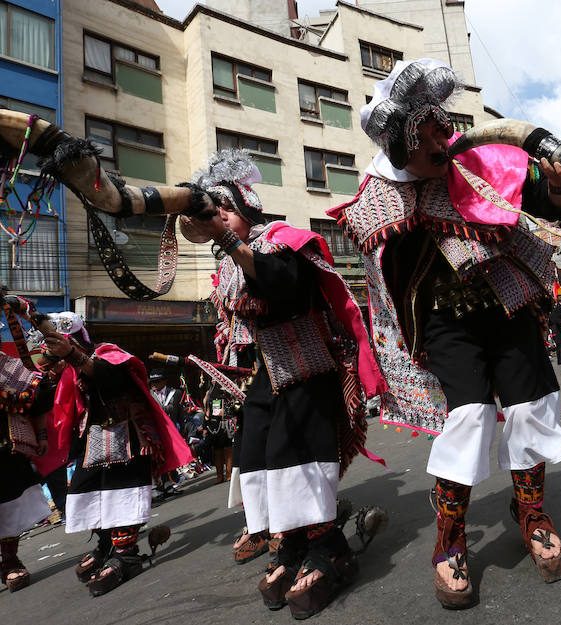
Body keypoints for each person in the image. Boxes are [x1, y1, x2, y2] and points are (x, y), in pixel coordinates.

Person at [327, 59, 561, 609]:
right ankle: (450, 537)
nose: (439, 145)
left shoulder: (478, 164)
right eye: (423, 140)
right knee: (467, 418)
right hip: (443, 322)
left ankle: (531, 511)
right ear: (398, 148)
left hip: (507, 303)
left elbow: (550, 201)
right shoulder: (378, 196)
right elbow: (383, 273)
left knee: (531, 404)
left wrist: (558, 186)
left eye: (440, 131)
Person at [182, 149, 386, 619]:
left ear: (249, 208)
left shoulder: (283, 240)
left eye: (227, 208)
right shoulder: (229, 267)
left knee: (296, 455)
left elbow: (281, 284)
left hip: (308, 364)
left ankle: (328, 547)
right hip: (268, 371)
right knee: (254, 454)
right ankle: (290, 545)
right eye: (215, 211)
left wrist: (227, 240)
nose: (220, 218)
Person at [43, 312, 190, 596]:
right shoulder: (68, 369)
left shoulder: (109, 354)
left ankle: (126, 552)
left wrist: (72, 356)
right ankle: (107, 543)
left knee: (120, 492)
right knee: (85, 492)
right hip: (95, 437)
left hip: (128, 434)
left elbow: (109, 378)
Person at [0, 356, 54, 592]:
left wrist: (41, 436)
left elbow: (37, 403)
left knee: (9, 507)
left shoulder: (11, 368)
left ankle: (10, 561)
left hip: (5, 449)